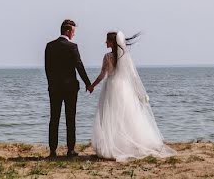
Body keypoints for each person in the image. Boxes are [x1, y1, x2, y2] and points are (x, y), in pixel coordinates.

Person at [89, 31, 175, 161]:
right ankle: (127, 144)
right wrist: (140, 93)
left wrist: (92, 85)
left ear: (112, 42)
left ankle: (115, 144)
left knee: (111, 117)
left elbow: (102, 74)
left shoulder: (107, 56)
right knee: (126, 116)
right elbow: (133, 76)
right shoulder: (125, 56)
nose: (105, 42)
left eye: (107, 40)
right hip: (123, 88)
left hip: (111, 87)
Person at [44, 19, 93, 158]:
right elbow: (79, 66)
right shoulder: (72, 47)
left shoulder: (50, 46)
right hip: (70, 88)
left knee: (54, 118)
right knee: (70, 119)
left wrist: (51, 84)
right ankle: (70, 150)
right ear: (67, 31)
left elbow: (47, 68)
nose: (73, 35)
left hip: (54, 88)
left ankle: (52, 150)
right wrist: (88, 84)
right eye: (73, 32)